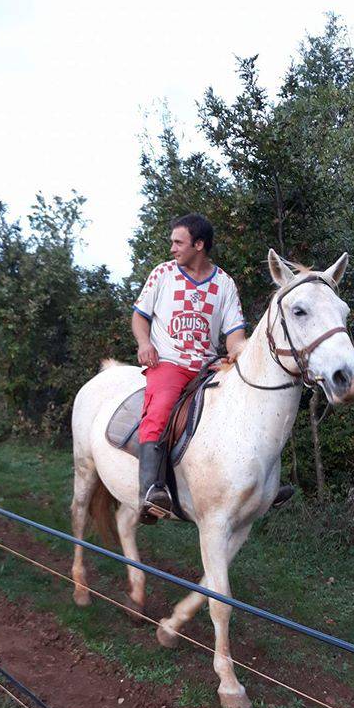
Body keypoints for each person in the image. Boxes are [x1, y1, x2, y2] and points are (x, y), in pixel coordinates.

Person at [132, 214, 246, 521]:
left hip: (207, 366)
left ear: (199, 245)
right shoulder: (163, 274)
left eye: (178, 242)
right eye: (172, 242)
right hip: (169, 362)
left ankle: (258, 485)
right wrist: (145, 344)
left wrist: (236, 355)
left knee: (246, 404)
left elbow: (235, 334)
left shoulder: (223, 283)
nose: (172, 248)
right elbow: (139, 316)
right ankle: (151, 492)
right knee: (160, 409)